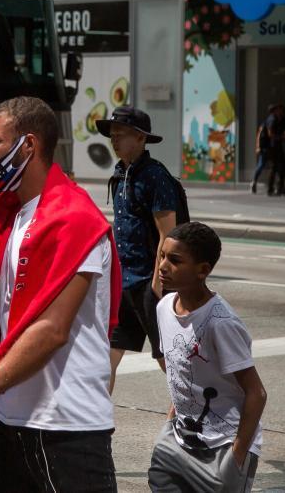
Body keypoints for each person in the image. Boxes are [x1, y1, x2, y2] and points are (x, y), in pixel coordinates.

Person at [0, 96, 122, 492]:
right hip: (5, 419)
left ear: (28, 145)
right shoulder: (8, 214)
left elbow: (51, 330)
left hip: (66, 429)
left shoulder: (75, 220)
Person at [148, 222, 267, 493]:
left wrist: (237, 455)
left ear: (203, 270)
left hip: (222, 447)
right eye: (162, 256)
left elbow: (256, 393)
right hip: (177, 439)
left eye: (175, 260)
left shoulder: (220, 323)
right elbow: (181, 372)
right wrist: (169, 424)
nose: (163, 266)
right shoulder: (164, 307)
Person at [96, 105, 180, 392]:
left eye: (121, 134)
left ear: (141, 138)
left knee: (167, 357)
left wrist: (158, 282)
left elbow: (168, 233)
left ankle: (188, 411)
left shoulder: (155, 176)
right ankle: (98, 415)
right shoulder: (121, 173)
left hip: (148, 282)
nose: (114, 140)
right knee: (106, 357)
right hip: (123, 280)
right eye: (112, 135)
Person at [264, 104, 285, 196]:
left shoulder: (281, 119)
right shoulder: (272, 119)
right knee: (275, 166)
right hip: (272, 147)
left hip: (277, 146)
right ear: (276, 111)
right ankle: (272, 188)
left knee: (283, 165)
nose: (282, 112)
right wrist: (282, 137)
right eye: (280, 110)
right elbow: (270, 134)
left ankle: (279, 187)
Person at [249, 115, 271, 194]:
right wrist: (258, 147)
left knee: (276, 166)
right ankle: (254, 182)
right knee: (261, 165)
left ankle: (276, 184)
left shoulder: (278, 122)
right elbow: (259, 135)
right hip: (265, 148)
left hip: (272, 148)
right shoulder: (265, 124)